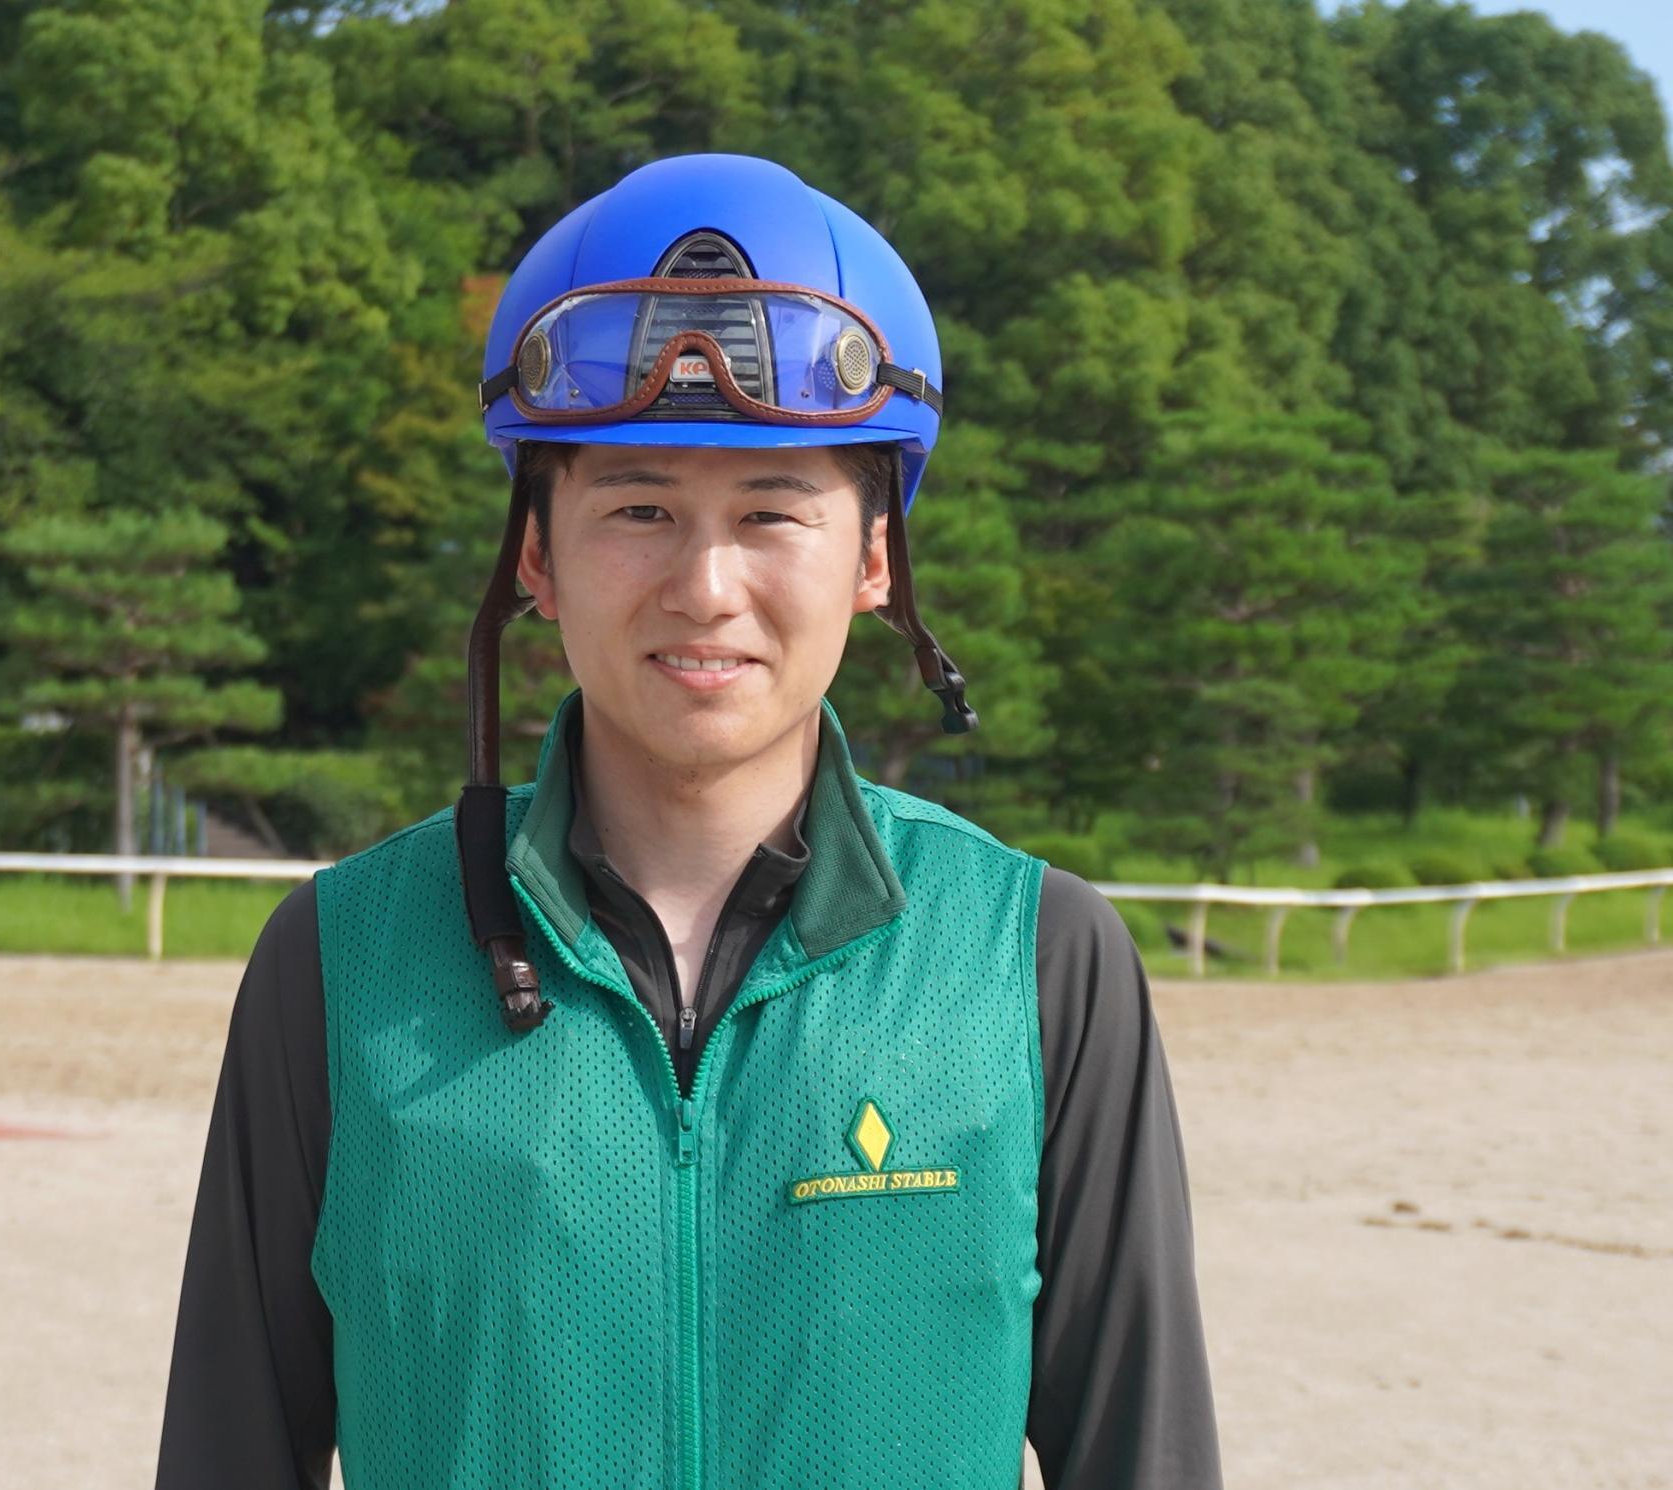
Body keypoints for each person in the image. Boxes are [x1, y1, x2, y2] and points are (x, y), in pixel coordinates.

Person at [154, 152, 1222, 1489]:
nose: (705, 585)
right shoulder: (337, 961)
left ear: (878, 556)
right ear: (534, 552)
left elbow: (1147, 1457)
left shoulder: (1037, 961)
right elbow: (226, 1453)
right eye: (639, 507)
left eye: (772, 511)